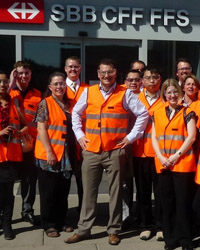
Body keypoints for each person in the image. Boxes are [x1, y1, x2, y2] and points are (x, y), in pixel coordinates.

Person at [65, 58, 149, 245]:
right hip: (92, 150)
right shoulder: (88, 92)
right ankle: (84, 229)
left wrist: (130, 137)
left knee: (116, 192)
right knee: (88, 192)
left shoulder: (125, 93)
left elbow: (143, 113)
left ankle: (114, 230)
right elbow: (76, 114)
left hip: (115, 151)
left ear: (115, 73)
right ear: (98, 74)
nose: (106, 76)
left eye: (109, 72)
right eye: (103, 72)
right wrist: (79, 135)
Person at [152, 79, 197, 250]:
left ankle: (185, 239)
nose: (172, 95)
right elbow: (154, 138)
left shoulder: (188, 112)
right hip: (164, 165)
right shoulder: (157, 113)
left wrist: (176, 156)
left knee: (182, 203)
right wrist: (161, 157)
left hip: (182, 164)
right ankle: (170, 239)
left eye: (175, 92)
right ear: (164, 94)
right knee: (167, 203)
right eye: (169, 92)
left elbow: (191, 137)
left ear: (180, 93)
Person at [34, 72, 75, 237]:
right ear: (50, 87)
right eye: (56, 84)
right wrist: (49, 152)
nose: (59, 87)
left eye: (62, 84)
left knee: (62, 191)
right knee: (48, 192)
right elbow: (41, 129)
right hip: (49, 155)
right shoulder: (45, 103)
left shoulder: (69, 104)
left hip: (66, 156)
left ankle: (61, 221)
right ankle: (49, 224)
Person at [132, 66, 163, 241]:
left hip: (159, 154)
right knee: (143, 192)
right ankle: (145, 225)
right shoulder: (135, 99)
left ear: (160, 79)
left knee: (160, 192)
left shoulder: (167, 98)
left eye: (155, 77)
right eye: (148, 77)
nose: (152, 80)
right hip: (140, 152)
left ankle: (160, 225)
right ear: (142, 80)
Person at [9, 61, 41, 226]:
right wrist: (10, 83)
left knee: (29, 180)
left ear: (30, 74)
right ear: (15, 74)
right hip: (11, 145)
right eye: (20, 73)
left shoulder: (38, 94)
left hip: (31, 144)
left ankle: (27, 211)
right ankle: (5, 214)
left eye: (26, 73)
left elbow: (41, 119)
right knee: (8, 182)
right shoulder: (8, 93)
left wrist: (27, 130)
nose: (23, 76)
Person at [0, 71, 27, 239]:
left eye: (5, 81)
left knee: (8, 193)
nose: (2, 84)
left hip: (10, 156)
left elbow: (27, 124)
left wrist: (19, 133)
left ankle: (7, 223)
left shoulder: (15, 103)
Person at [64, 56, 88, 212]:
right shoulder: (58, 87)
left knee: (83, 181)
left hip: (83, 140)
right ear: (65, 68)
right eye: (70, 66)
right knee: (63, 182)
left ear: (80, 68)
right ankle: (63, 215)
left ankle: (83, 213)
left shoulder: (89, 89)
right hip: (64, 141)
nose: (73, 69)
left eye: (76, 67)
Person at [122, 69, 142, 224]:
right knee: (125, 182)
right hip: (125, 146)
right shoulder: (119, 95)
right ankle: (125, 216)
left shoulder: (145, 97)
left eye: (136, 80)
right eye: (130, 80)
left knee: (142, 183)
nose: (133, 83)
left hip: (142, 147)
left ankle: (141, 214)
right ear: (125, 81)